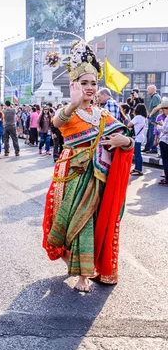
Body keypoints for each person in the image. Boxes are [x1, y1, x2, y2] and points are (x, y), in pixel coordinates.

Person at [42, 40, 134, 292]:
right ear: (74, 85)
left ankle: (84, 274)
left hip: (98, 177)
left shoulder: (104, 115)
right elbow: (57, 123)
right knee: (72, 222)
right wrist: (72, 103)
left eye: (93, 83)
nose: (90, 88)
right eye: (84, 83)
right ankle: (74, 263)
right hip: (72, 174)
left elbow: (127, 136)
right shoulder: (69, 111)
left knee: (89, 221)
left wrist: (124, 141)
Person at [127, 103, 148, 177]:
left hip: (137, 138)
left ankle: (139, 170)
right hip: (140, 137)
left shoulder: (138, 117)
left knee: (137, 154)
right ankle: (137, 168)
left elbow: (129, 124)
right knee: (137, 154)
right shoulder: (143, 117)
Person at [144, 85, 162, 153]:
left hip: (154, 117)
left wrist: (150, 114)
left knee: (152, 134)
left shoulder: (155, 97)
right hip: (153, 117)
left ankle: (153, 148)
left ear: (153, 89)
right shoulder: (154, 97)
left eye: (148, 89)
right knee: (149, 134)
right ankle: (148, 147)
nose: (147, 91)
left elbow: (156, 107)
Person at [156, 100, 168, 186]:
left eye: (163, 109)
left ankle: (167, 179)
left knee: (166, 161)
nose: (162, 111)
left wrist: (159, 126)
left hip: (165, 141)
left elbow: (164, 130)